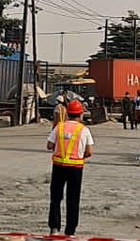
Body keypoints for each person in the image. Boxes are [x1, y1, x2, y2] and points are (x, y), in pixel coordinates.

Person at [47, 99, 93, 237]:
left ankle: (54, 228)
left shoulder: (59, 127)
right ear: (80, 114)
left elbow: (49, 145)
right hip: (75, 168)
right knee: (73, 199)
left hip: (59, 166)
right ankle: (70, 231)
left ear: (68, 114)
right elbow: (89, 151)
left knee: (55, 198)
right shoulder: (84, 130)